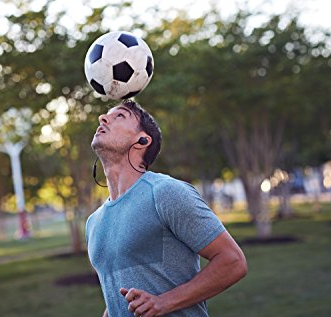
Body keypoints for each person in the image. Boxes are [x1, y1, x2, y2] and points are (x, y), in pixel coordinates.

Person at [86, 100, 247, 317]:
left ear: (142, 141)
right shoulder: (94, 222)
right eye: (106, 115)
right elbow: (117, 295)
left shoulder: (165, 193)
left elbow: (233, 262)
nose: (102, 119)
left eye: (120, 116)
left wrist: (164, 302)